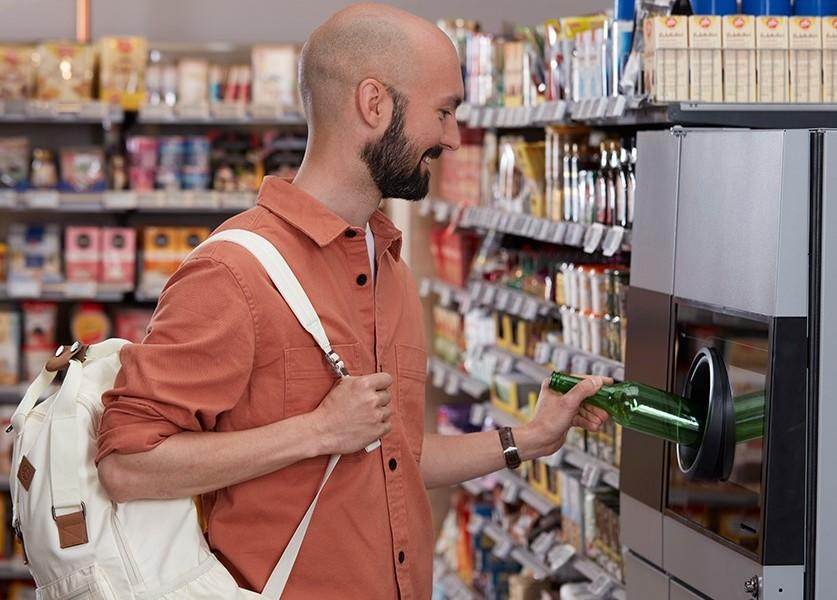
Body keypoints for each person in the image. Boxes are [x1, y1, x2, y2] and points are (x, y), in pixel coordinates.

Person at [95, 4, 609, 598]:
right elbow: (127, 466)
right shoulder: (233, 272)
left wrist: (529, 438)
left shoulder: (386, 264)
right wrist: (317, 431)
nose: (453, 137)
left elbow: (395, 458)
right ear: (375, 104)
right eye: (443, 111)